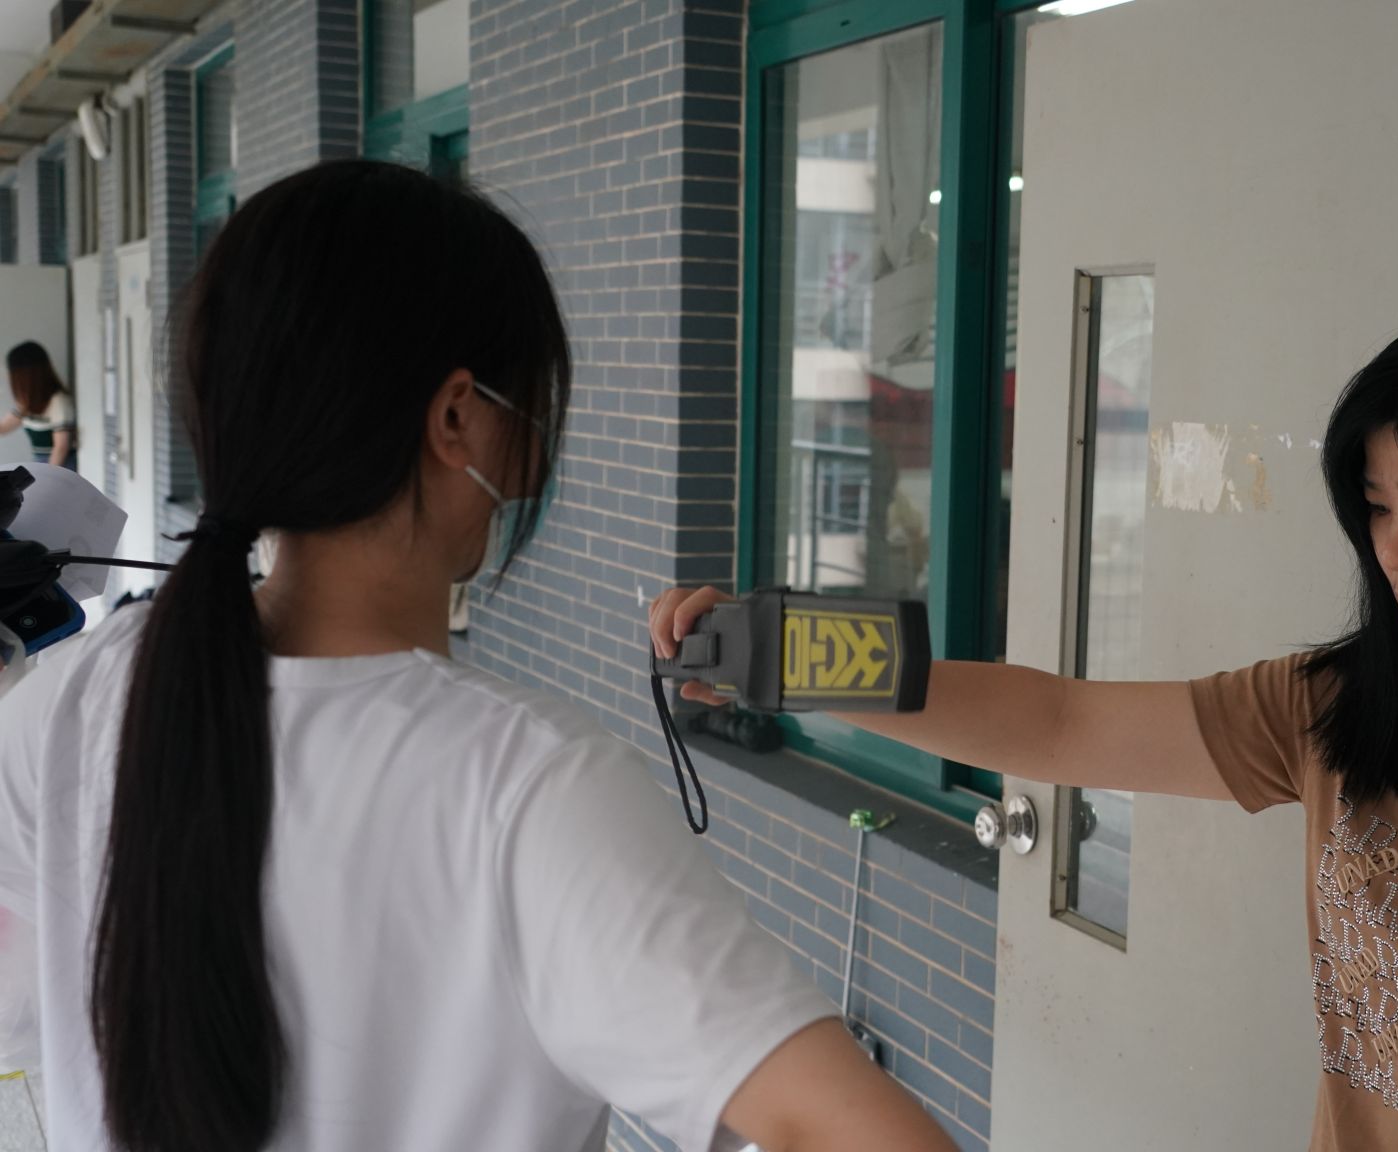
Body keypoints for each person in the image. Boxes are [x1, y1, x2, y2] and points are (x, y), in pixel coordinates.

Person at [659, 295, 1398, 1151]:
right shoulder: (1346, 708)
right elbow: (1060, 725)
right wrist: (789, 668)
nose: (1395, 550)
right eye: (1377, 508)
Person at [0, 161, 949, 1152]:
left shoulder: (78, 695)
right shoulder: (533, 789)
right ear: (457, 417)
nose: (538, 447)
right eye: (532, 402)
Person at [0, 342, 76, 470]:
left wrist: (48, 475)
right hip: (41, 463)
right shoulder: (27, 403)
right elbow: (3, 428)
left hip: (61, 466)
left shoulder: (58, 401)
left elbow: (61, 447)